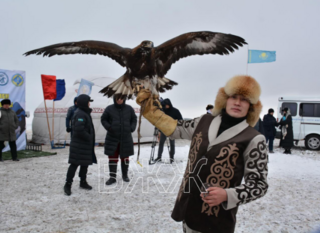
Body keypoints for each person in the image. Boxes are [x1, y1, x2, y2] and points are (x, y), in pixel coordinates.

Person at [136, 75, 268, 233]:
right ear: (225, 99)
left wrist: (227, 194)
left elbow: (259, 185)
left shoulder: (254, 139)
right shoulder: (204, 121)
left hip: (216, 220)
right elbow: (175, 128)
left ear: (251, 106)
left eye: (244, 99)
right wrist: (149, 109)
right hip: (187, 208)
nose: (238, 103)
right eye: (234, 97)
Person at [63, 94, 97, 196]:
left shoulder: (84, 113)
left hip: (85, 144)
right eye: (88, 101)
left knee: (85, 164)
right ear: (84, 102)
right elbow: (79, 130)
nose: (89, 103)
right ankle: (67, 185)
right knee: (74, 164)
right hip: (79, 144)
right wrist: (89, 137)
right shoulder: (80, 114)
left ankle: (83, 182)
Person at [101, 94, 137, 185]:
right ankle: (112, 177)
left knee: (125, 158)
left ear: (124, 99)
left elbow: (134, 119)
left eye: (121, 98)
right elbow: (103, 119)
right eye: (118, 98)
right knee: (112, 157)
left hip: (126, 137)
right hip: (112, 137)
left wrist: (131, 128)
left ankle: (125, 175)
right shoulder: (109, 108)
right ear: (115, 99)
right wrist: (109, 127)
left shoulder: (129, 109)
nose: (119, 100)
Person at [155, 98, 183, 163]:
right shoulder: (163, 111)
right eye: (165, 105)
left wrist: (177, 127)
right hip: (164, 130)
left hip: (172, 130)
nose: (166, 106)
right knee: (161, 143)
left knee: (172, 144)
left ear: (170, 104)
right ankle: (159, 157)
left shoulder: (175, 111)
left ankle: (172, 158)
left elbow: (181, 120)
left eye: (167, 105)